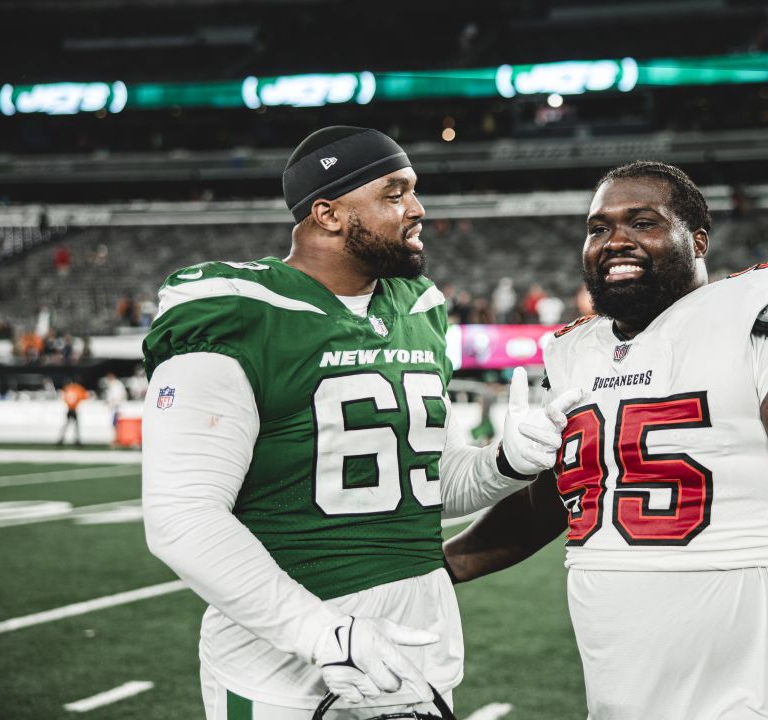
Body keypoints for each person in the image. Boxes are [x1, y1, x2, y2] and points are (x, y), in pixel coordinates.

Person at [444, 161, 768, 719]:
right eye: (598, 228)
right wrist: (438, 567)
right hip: (621, 697)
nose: (615, 241)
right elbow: (561, 501)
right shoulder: (574, 353)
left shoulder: (761, 321)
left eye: (642, 222)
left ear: (697, 241)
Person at [139, 126, 579, 720]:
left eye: (414, 191)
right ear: (328, 213)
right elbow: (181, 516)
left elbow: (425, 486)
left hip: (414, 653)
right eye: (394, 193)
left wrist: (506, 463)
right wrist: (324, 634)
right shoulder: (239, 312)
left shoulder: (417, 308)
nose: (418, 209)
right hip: (284, 670)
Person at [56, 378, 88, 446]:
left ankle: (61, 439)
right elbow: (84, 397)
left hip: (69, 409)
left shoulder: (67, 388)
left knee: (66, 425)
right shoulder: (79, 389)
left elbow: (64, 397)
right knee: (76, 426)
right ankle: (76, 440)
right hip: (74, 409)